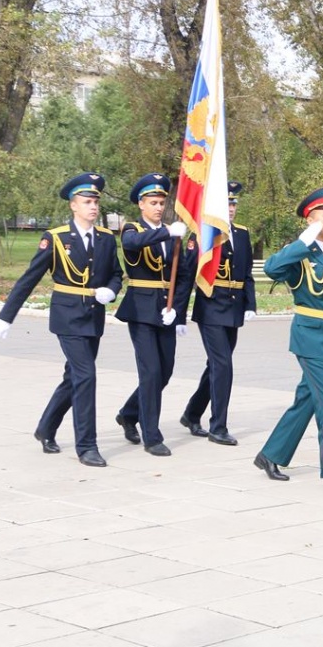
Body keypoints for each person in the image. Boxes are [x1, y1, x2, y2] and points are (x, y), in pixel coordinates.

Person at [0, 173, 124, 467]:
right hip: (68, 317)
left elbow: (116, 274)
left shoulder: (105, 238)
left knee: (73, 376)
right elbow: (29, 278)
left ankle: (46, 427)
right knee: (86, 375)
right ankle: (86, 446)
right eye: (87, 202)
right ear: (73, 205)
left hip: (93, 316)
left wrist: (111, 291)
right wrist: (6, 316)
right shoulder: (56, 238)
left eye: (96, 202)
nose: (93, 207)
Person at [253, 188, 323, 494]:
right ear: (310, 221)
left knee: (307, 399)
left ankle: (271, 454)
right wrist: (304, 241)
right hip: (310, 338)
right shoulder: (301, 254)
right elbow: (271, 268)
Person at [114, 173, 195, 457]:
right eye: (153, 202)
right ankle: (152, 436)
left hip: (165, 310)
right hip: (141, 310)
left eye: (162, 202)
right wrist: (167, 233)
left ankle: (128, 413)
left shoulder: (173, 235)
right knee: (150, 372)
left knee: (164, 372)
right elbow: (133, 244)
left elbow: (182, 276)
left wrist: (178, 311)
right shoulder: (132, 228)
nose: (159, 207)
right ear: (141, 204)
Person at [180, 180, 256, 446]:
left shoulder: (242, 233)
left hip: (233, 307)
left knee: (216, 365)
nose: (231, 208)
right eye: (226, 204)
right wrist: (179, 314)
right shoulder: (203, 233)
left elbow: (246, 273)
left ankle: (192, 414)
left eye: (233, 204)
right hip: (211, 307)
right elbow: (188, 275)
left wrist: (250, 304)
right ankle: (218, 427)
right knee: (223, 365)